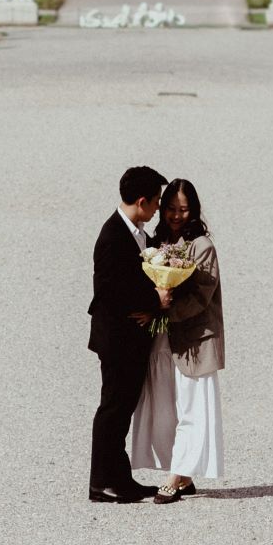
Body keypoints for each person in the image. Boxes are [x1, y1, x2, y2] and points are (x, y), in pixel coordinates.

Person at [130, 177, 224, 504]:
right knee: (166, 408)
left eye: (183, 209)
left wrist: (163, 309)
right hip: (165, 342)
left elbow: (200, 298)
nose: (175, 215)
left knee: (192, 409)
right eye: (170, 208)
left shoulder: (203, 247)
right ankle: (182, 473)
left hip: (195, 341)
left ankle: (175, 476)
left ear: (194, 210)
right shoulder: (158, 242)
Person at [88, 165, 169, 504]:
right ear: (141, 200)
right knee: (113, 407)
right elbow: (109, 291)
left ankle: (120, 479)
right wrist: (156, 301)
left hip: (131, 339)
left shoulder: (136, 232)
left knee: (122, 407)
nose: (158, 209)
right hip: (117, 339)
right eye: (156, 202)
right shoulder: (111, 236)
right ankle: (101, 483)